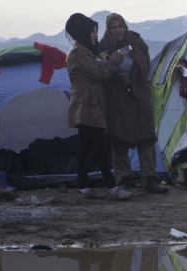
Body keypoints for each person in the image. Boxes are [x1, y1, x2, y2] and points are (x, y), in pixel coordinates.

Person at [65, 13, 132, 200]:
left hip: (88, 102)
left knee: (85, 147)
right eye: (92, 32)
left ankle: (84, 188)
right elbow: (99, 73)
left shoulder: (84, 50)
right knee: (102, 147)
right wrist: (116, 58)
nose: (95, 35)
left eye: (96, 31)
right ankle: (112, 188)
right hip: (87, 103)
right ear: (82, 31)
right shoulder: (79, 52)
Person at [99, 13, 168, 194]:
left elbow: (145, 66)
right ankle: (124, 180)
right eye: (113, 27)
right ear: (108, 29)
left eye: (120, 26)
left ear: (125, 27)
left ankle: (150, 180)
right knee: (119, 141)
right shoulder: (103, 48)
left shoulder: (137, 43)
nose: (117, 30)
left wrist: (139, 86)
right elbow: (103, 73)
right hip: (117, 99)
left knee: (146, 139)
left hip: (140, 96)